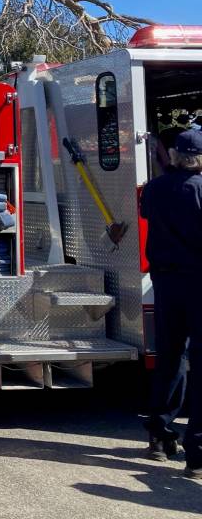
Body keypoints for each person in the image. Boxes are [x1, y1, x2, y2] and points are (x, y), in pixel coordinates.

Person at [139, 128, 202, 479]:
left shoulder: (155, 188)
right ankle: (197, 456)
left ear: (176, 155)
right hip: (198, 281)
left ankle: (160, 439)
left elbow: (149, 215)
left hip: (165, 282)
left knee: (170, 358)